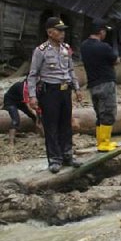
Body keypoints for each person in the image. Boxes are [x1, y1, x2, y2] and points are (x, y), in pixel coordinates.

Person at [28, 17, 83, 173]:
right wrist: (32, 96)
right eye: (59, 30)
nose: (62, 33)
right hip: (49, 91)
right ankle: (54, 159)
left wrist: (77, 88)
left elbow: (71, 70)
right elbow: (32, 75)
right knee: (51, 125)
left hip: (65, 90)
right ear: (50, 32)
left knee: (65, 124)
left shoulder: (66, 48)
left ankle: (67, 155)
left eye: (63, 30)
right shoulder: (41, 51)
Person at [80, 20, 119, 152]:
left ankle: (100, 142)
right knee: (108, 112)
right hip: (106, 83)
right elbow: (116, 60)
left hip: (92, 84)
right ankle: (104, 143)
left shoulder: (83, 46)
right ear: (101, 31)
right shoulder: (104, 47)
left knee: (99, 113)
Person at [2, 80, 38, 146]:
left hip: (21, 102)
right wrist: (35, 113)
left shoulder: (33, 87)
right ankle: (11, 142)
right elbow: (29, 106)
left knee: (34, 117)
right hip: (10, 102)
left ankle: (39, 134)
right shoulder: (22, 87)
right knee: (16, 120)